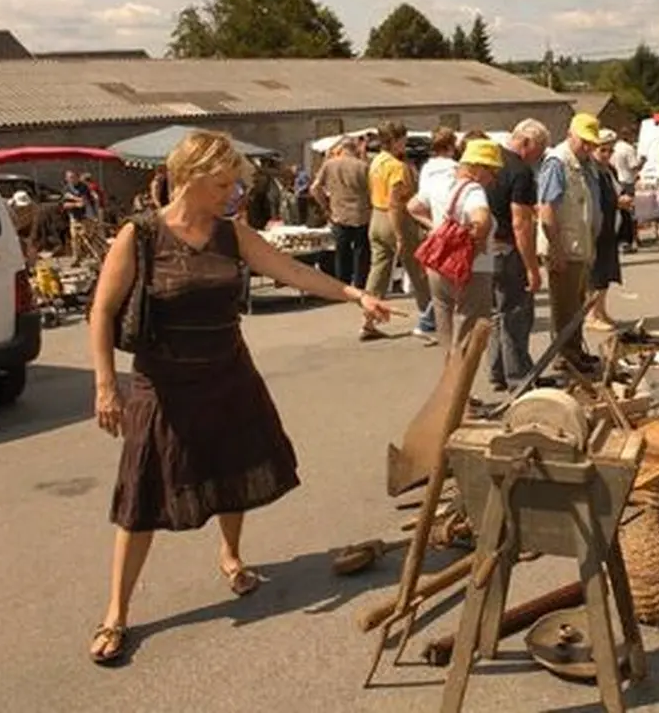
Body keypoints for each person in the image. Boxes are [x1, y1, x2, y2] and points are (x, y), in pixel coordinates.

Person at [86, 130, 392, 665]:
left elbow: (292, 271)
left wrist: (355, 293)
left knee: (233, 467)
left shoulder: (233, 235)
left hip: (229, 376)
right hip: (164, 387)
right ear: (190, 178)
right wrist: (107, 385)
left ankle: (230, 555)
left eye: (234, 183)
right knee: (141, 497)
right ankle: (116, 612)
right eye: (222, 183)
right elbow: (102, 311)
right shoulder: (140, 236)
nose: (231, 193)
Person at [408, 138, 500, 351]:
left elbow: (413, 206)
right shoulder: (474, 190)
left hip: (440, 262)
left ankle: (449, 374)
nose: (493, 178)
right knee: (471, 332)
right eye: (492, 170)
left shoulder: (439, 183)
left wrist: (435, 228)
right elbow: (481, 218)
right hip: (471, 268)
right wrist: (478, 244)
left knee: (445, 329)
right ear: (478, 168)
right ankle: (462, 379)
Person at [538, 113, 602, 373]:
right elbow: (547, 208)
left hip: (580, 244)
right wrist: (556, 248)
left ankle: (575, 351)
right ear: (570, 135)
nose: (588, 147)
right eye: (584, 142)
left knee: (576, 305)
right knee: (564, 308)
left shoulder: (584, 162)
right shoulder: (558, 162)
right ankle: (565, 357)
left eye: (591, 143)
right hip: (565, 246)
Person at [487, 119, 548, 391]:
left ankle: (497, 370)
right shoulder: (520, 171)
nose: (540, 156)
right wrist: (532, 267)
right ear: (526, 143)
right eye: (540, 149)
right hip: (507, 247)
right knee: (516, 311)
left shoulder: (490, 161)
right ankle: (519, 375)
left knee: (495, 312)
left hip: (484, 246)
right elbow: (520, 222)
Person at [365, 120, 431, 342]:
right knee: (418, 270)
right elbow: (395, 202)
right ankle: (429, 320)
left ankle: (368, 320)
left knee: (379, 270)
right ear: (394, 141)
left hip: (376, 215)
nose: (405, 143)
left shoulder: (376, 162)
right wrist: (401, 234)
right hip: (396, 219)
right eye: (403, 139)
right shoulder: (396, 166)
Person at [409, 128, 460, 342]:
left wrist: (431, 224)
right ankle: (428, 322)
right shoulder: (456, 169)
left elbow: (419, 203)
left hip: (437, 227)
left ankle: (429, 321)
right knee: (454, 277)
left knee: (443, 277)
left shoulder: (427, 169)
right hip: (454, 227)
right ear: (451, 147)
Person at [587, 129, 635, 330]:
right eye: (602, 150)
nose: (606, 155)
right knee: (596, 273)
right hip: (598, 226)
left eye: (609, 150)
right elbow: (596, 200)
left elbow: (618, 190)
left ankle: (601, 310)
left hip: (611, 226)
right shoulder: (592, 172)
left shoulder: (610, 170)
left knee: (607, 272)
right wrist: (618, 202)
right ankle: (591, 315)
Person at [311, 138, 371, 291]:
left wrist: (325, 206)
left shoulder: (330, 165)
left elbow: (314, 188)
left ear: (341, 148)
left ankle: (342, 286)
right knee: (361, 252)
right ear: (354, 149)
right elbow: (372, 190)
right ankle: (359, 285)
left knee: (341, 252)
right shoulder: (363, 166)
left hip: (338, 213)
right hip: (361, 214)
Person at [611, 126, 643, 253]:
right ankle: (630, 239)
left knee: (620, 212)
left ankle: (621, 239)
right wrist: (642, 162)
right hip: (628, 181)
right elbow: (633, 165)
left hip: (617, 180)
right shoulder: (629, 149)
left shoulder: (616, 147)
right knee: (629, 212)